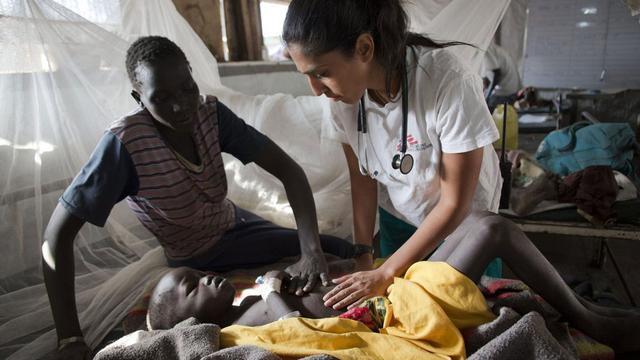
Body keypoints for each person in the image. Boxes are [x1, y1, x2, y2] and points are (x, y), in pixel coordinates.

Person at [41, 36, 366, 360]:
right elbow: (57, 237)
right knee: (324, 263)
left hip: (234, 223)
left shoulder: (209, 114)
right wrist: (69, 338)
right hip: (197, 254)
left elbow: (289, 171)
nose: (181, 106)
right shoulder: (125, 144)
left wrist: (310, 252)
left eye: (186, 88)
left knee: (333, 250)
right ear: (139, 98)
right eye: (162, 97)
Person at [282, 0, 506, 310]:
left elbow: (455, 202)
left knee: (466, 308)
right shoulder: (339, 100)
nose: (316, 90)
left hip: (460, 225)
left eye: (321, 73)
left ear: (364, 49)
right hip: (399, 215)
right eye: (306, 75)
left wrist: (386, 270)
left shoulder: (447, 80)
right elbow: (362, 178)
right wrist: (364, 256)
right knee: (396, 308)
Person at [147, 218, 640, 356]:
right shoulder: (241, 326)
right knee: (491, 230)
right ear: (189, 322)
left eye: (193, 273)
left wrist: (327, 268)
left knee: (479, 224)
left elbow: (318, 298)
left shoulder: (249, 301)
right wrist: (275, 288)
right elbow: (293, 327)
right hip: (401, 307)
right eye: (191, 286)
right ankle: (591, 319)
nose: (205, 277)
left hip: (396, 287)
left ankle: (590, 313)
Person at [481, 42, 523, 112]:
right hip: (512, 90)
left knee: (485, 109)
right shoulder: (492, 47)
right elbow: (491, 75)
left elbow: (496, 74)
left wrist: (487, 96)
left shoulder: (486, 50)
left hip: (506, 93)